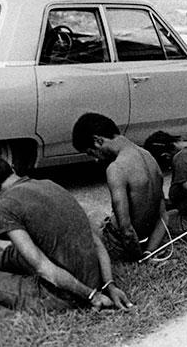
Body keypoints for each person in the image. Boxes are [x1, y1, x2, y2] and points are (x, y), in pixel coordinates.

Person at [0, 151, 133, 314]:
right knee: (12, 254)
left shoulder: (5, 205)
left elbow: (43, 268)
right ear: (12, 169)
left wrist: (92, 296)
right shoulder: (50, 184)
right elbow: (96, 243)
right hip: (93, 280)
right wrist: (109, 285)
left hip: (58, 297)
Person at [72, 112, 168, 261]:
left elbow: (126, 230)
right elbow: (163, 217)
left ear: (98, 140)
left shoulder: (117, 168)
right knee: (95, 214)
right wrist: (149, 252)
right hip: (146, 239)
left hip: (117, 245)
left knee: (79, 212)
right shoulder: (149, 156)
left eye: (92, 153)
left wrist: (139, 259)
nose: (96, 159)